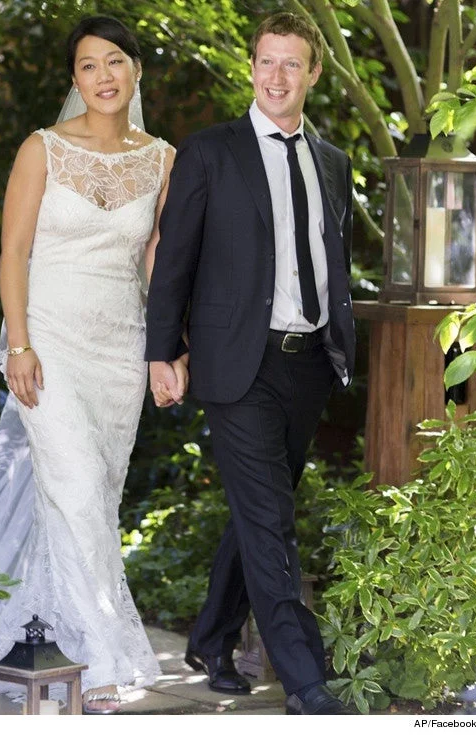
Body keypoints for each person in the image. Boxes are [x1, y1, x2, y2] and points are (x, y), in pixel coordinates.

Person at [0, 15, 174, 714]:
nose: (104, 76)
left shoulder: (162, 159)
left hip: (120, 350)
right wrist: (18, 345)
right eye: (88, 66)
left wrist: (167, 347)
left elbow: (157, 261)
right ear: (75, 79)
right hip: (48, 342)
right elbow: (13, 252)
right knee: (79, 488)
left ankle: (50, 628)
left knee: (91, 499)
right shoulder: (43, 149)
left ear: (137, 70)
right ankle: (101, 659)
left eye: (115, 61)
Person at [145, 12, 355, 716]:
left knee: (259, 511)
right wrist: (162, 351)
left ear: (313, 73)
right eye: (267, 61)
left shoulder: (332, 162)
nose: (277, 76)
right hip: (236, 363)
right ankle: (305, 679)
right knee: (270, 518)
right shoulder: (211, 152)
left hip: (308, 364)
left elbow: (332, 263)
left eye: (291, 64)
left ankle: (210, 634)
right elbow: (173, 259)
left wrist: (338, 348)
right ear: (252, 66)